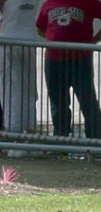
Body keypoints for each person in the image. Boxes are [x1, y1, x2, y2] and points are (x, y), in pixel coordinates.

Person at [35, 0, 101, 140]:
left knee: (87, 99)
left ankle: (98, 137)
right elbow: (40, 28)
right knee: (58, 102)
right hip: (54, 59)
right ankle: (61, 136)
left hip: (80, 59)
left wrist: (96, 38)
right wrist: (54, 38)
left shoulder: (88, 2)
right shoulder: (49, 3)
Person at [0, 0, 39, 158]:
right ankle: (30, 134)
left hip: (8, 40)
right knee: (28, 89)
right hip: (29, 40)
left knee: (10, 90)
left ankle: (14, 136)